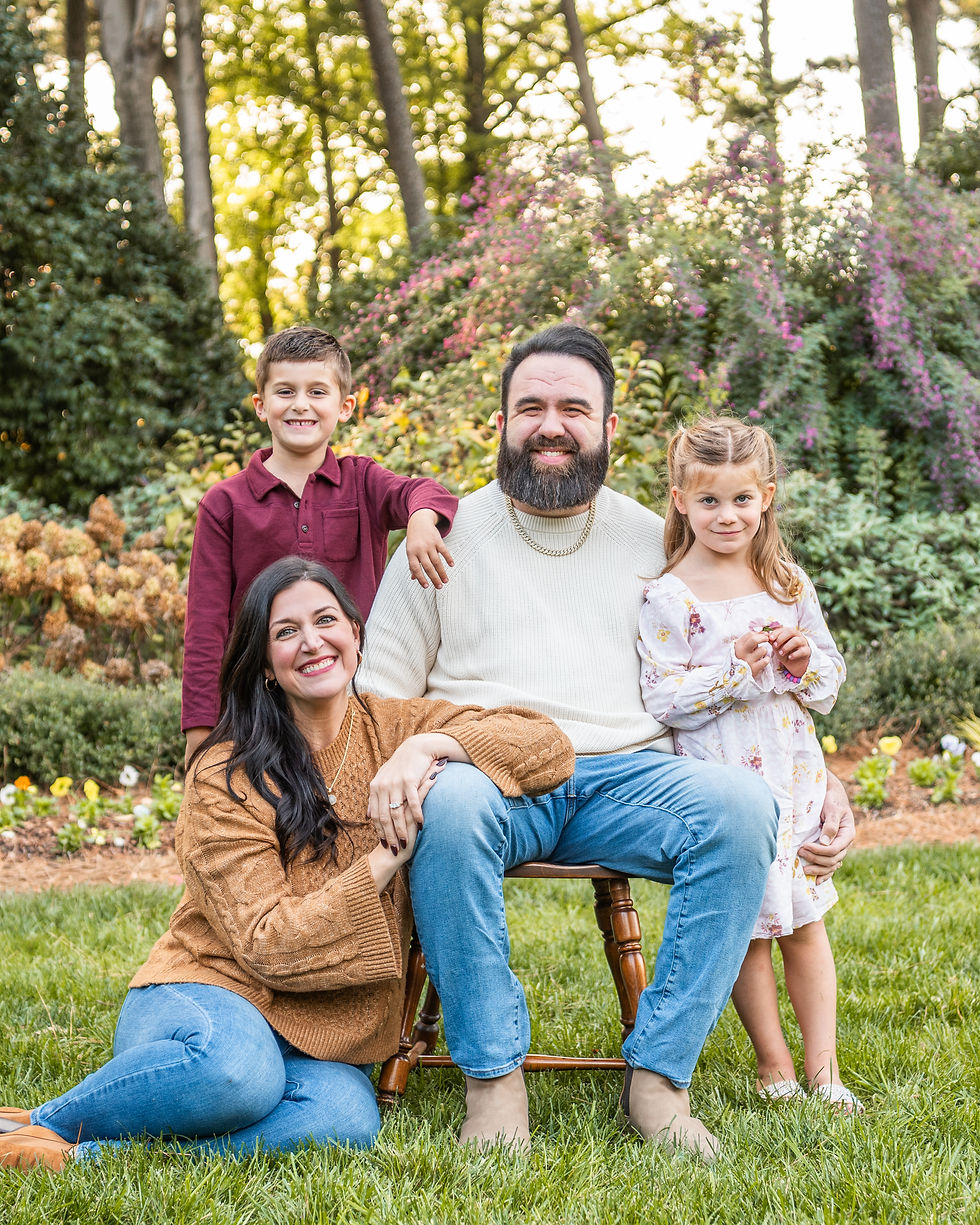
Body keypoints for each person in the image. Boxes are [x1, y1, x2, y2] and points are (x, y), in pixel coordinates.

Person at [361, 323, 855, 1161]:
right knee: (450, 811)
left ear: (609, 429)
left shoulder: (656, 539)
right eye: (531, 407)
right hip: (489, 772)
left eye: (573, 408)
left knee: (742, 808)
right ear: (502, 422)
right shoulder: (441, 535)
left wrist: (824, 774)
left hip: (632, 775)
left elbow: (743, 653)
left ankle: (659, 1077)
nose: (551, 425)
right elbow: (377, 694)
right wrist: (424, 748)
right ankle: (493, 1079)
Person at [0, 558, 573, 1172]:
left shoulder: (401, 726)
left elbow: (549, 747)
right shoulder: (227, 772)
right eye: (286, 631)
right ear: (266, 663)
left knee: (344, 1121)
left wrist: (430, 746)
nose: (312, 642)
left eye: (326, 620)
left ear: (356, 633)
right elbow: (267, 944)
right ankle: (39, 1122)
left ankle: (86, 1160)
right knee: (237, 1074)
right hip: (215, 991)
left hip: (323, 1033)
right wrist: (382, 861)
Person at [636, 416, 862, 1113]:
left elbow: (827, 683)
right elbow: (664, 698)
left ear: (765, 496)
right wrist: (735, 672)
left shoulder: (786, 581)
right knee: (750, 929)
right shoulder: (669, 595)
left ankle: (824, 1069)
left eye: (740, 499)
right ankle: (776, 1065)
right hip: (724, 776)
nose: (726, 515)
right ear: (680, 500)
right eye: (708, 501)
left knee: (803, 920)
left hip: (790, 773)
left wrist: (801, 662)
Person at [181, 325, 459, 767]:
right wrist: (201, 731)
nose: (301, 405)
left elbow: (425, 492)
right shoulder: (225, 504)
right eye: (285, 391)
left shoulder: (362, 481)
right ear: (261, 405)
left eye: (317, 391)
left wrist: (422, 519)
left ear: (345, 406)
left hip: (352, 698)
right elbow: (205, 625)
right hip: (260, 705)